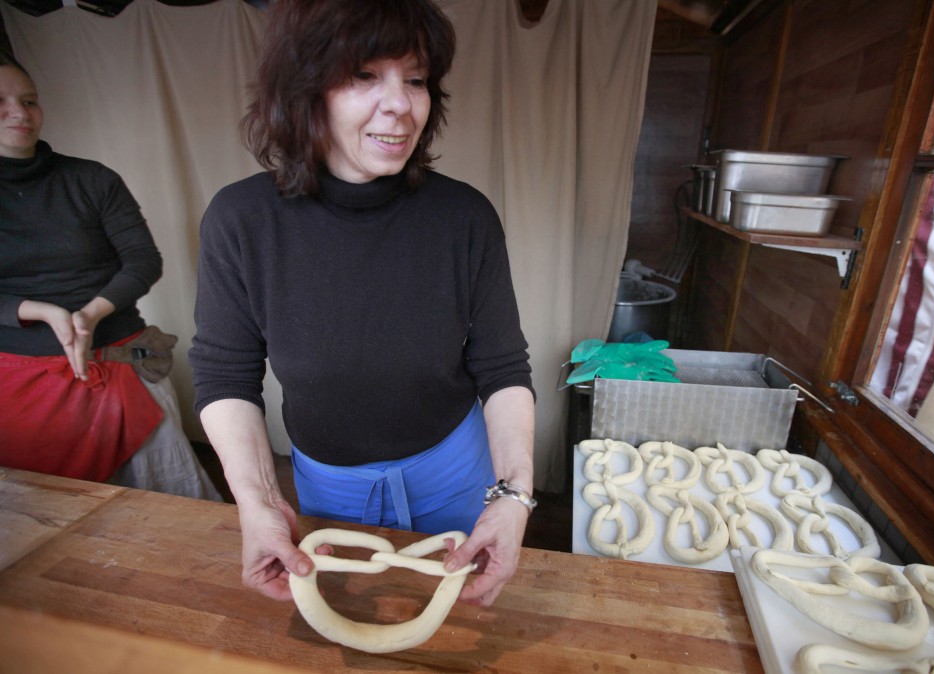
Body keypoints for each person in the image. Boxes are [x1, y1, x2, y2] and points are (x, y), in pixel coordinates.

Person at [189, 0, 536, 608]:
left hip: (456, 471)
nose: (401, 104)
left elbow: (503, 367)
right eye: (364, 75)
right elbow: (225, 375)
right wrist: (258, 501)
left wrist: (513, 496)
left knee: (462, 625)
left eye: (416, 79)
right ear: (303, 92)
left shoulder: (464, 217)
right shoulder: (241, 220)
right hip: (328, 484)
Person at [0, 53, 221, 501]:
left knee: (166, 507)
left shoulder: (91, 179)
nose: (19, 113)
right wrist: (40, 311)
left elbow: (143, 260)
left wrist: (89, 314)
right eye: (1, 102)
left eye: (29, 100)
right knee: (45, 513)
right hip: (20, 383)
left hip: (121, 364)